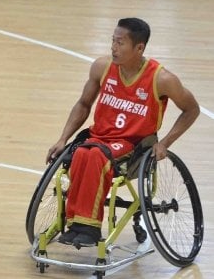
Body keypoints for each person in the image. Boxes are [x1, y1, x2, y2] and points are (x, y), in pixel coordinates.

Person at [47, 18, 200, 247]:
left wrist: (165, 143)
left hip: (133, 144)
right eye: (113, 41)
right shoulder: (102, 67)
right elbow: (83, 104)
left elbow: (192, 109)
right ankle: (77, 224)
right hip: (98, 137)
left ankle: (88, 227)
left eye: (120, 43)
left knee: (95, 155)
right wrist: (62, 138)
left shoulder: (162, 79)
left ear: (139, 48)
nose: (113, 48)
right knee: (81, 153)